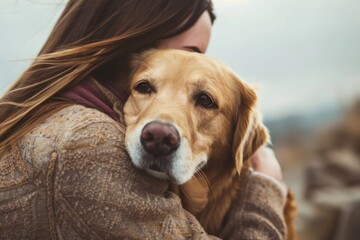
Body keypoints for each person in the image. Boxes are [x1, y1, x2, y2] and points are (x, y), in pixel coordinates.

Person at [0, 1, 287, 239]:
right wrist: (265, 193)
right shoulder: (86, 145)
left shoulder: (61, 113)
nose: (195, 65)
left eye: (204, 100)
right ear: (136, 37)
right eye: (188, 54)